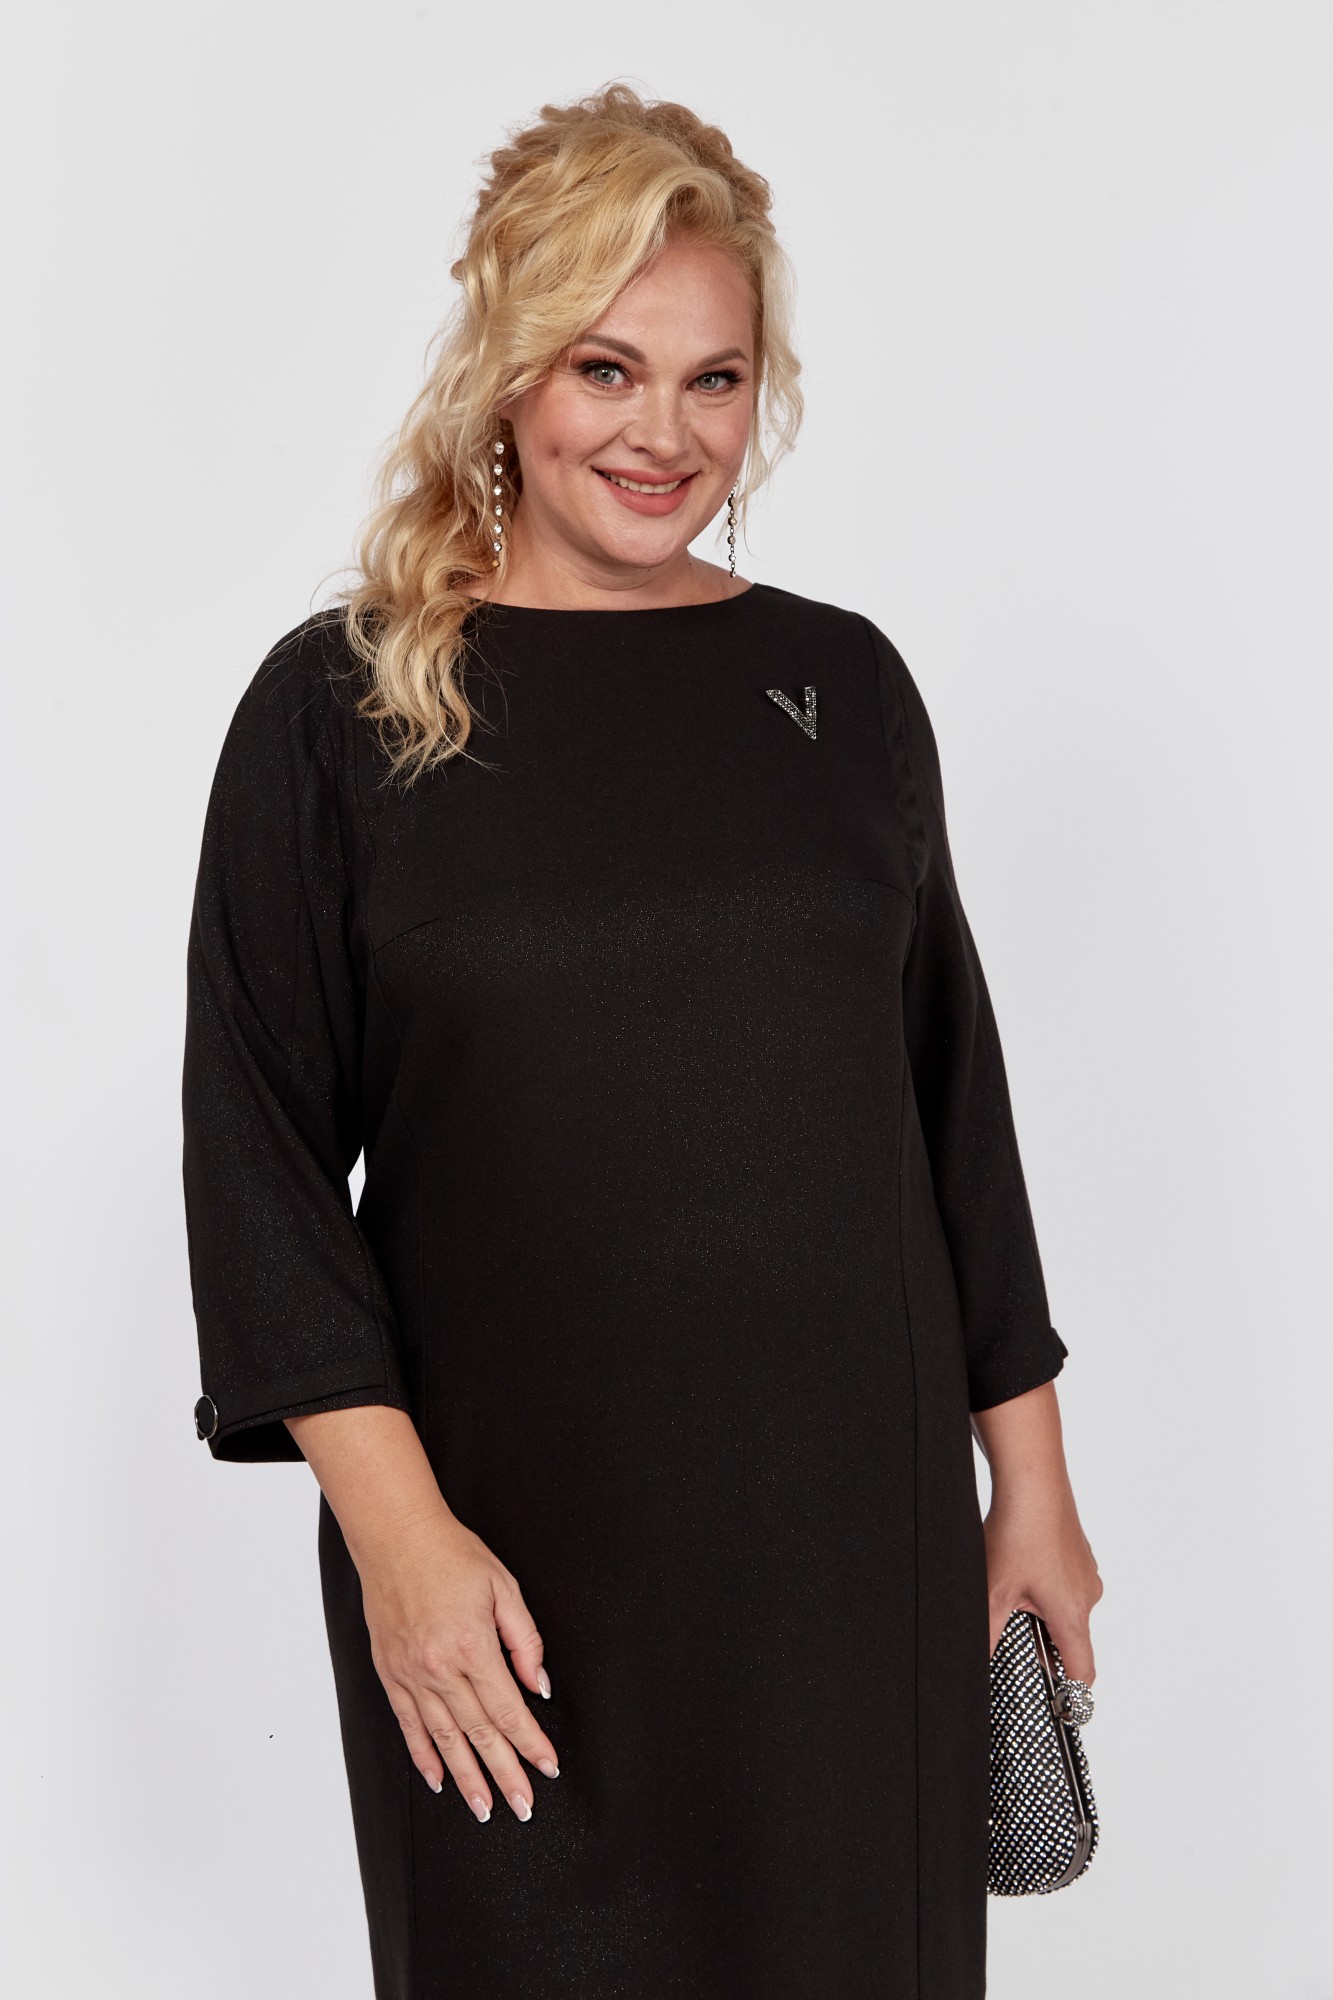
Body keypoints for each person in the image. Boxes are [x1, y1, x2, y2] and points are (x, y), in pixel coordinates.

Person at [181, 80, 1103, 1999]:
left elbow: (949, 1102)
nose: (660, 433)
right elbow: (255, 1148)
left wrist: (1029, 1485)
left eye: (712, 379)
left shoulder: (839, 686)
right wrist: (399, 1543)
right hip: (508, 1566)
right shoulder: (344, 710)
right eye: (606, 368)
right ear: (507, 374)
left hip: (849, 1545)